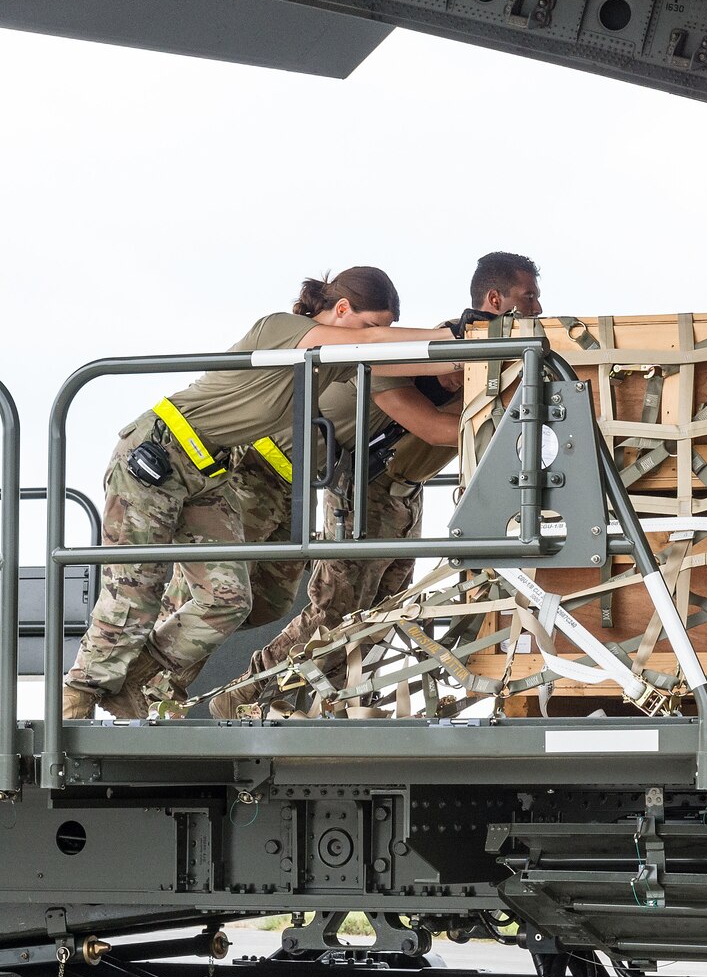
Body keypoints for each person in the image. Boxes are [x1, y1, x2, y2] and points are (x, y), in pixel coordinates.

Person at [61, 269, 463, 720]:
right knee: (134, 590)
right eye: (371, 325)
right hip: (159, 453)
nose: (376, 336)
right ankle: (79, 699)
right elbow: (376, 349)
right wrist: (452, 333)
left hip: (212, 472)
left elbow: (400, 361)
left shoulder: (341, 358)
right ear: (343, 309)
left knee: (235, 600)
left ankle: (139, 678)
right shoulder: (282, 329)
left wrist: (466, 352)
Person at [208, 253, 544, 719]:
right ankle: (246, 694)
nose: (455, 379)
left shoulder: (483, 367)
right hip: (361, 492)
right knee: (334, 614)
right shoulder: (386, 365)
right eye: (529, 297)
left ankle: (341, 706)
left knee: (383, 614)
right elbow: (435, 429)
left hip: (404, 496)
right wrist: (529, 422)